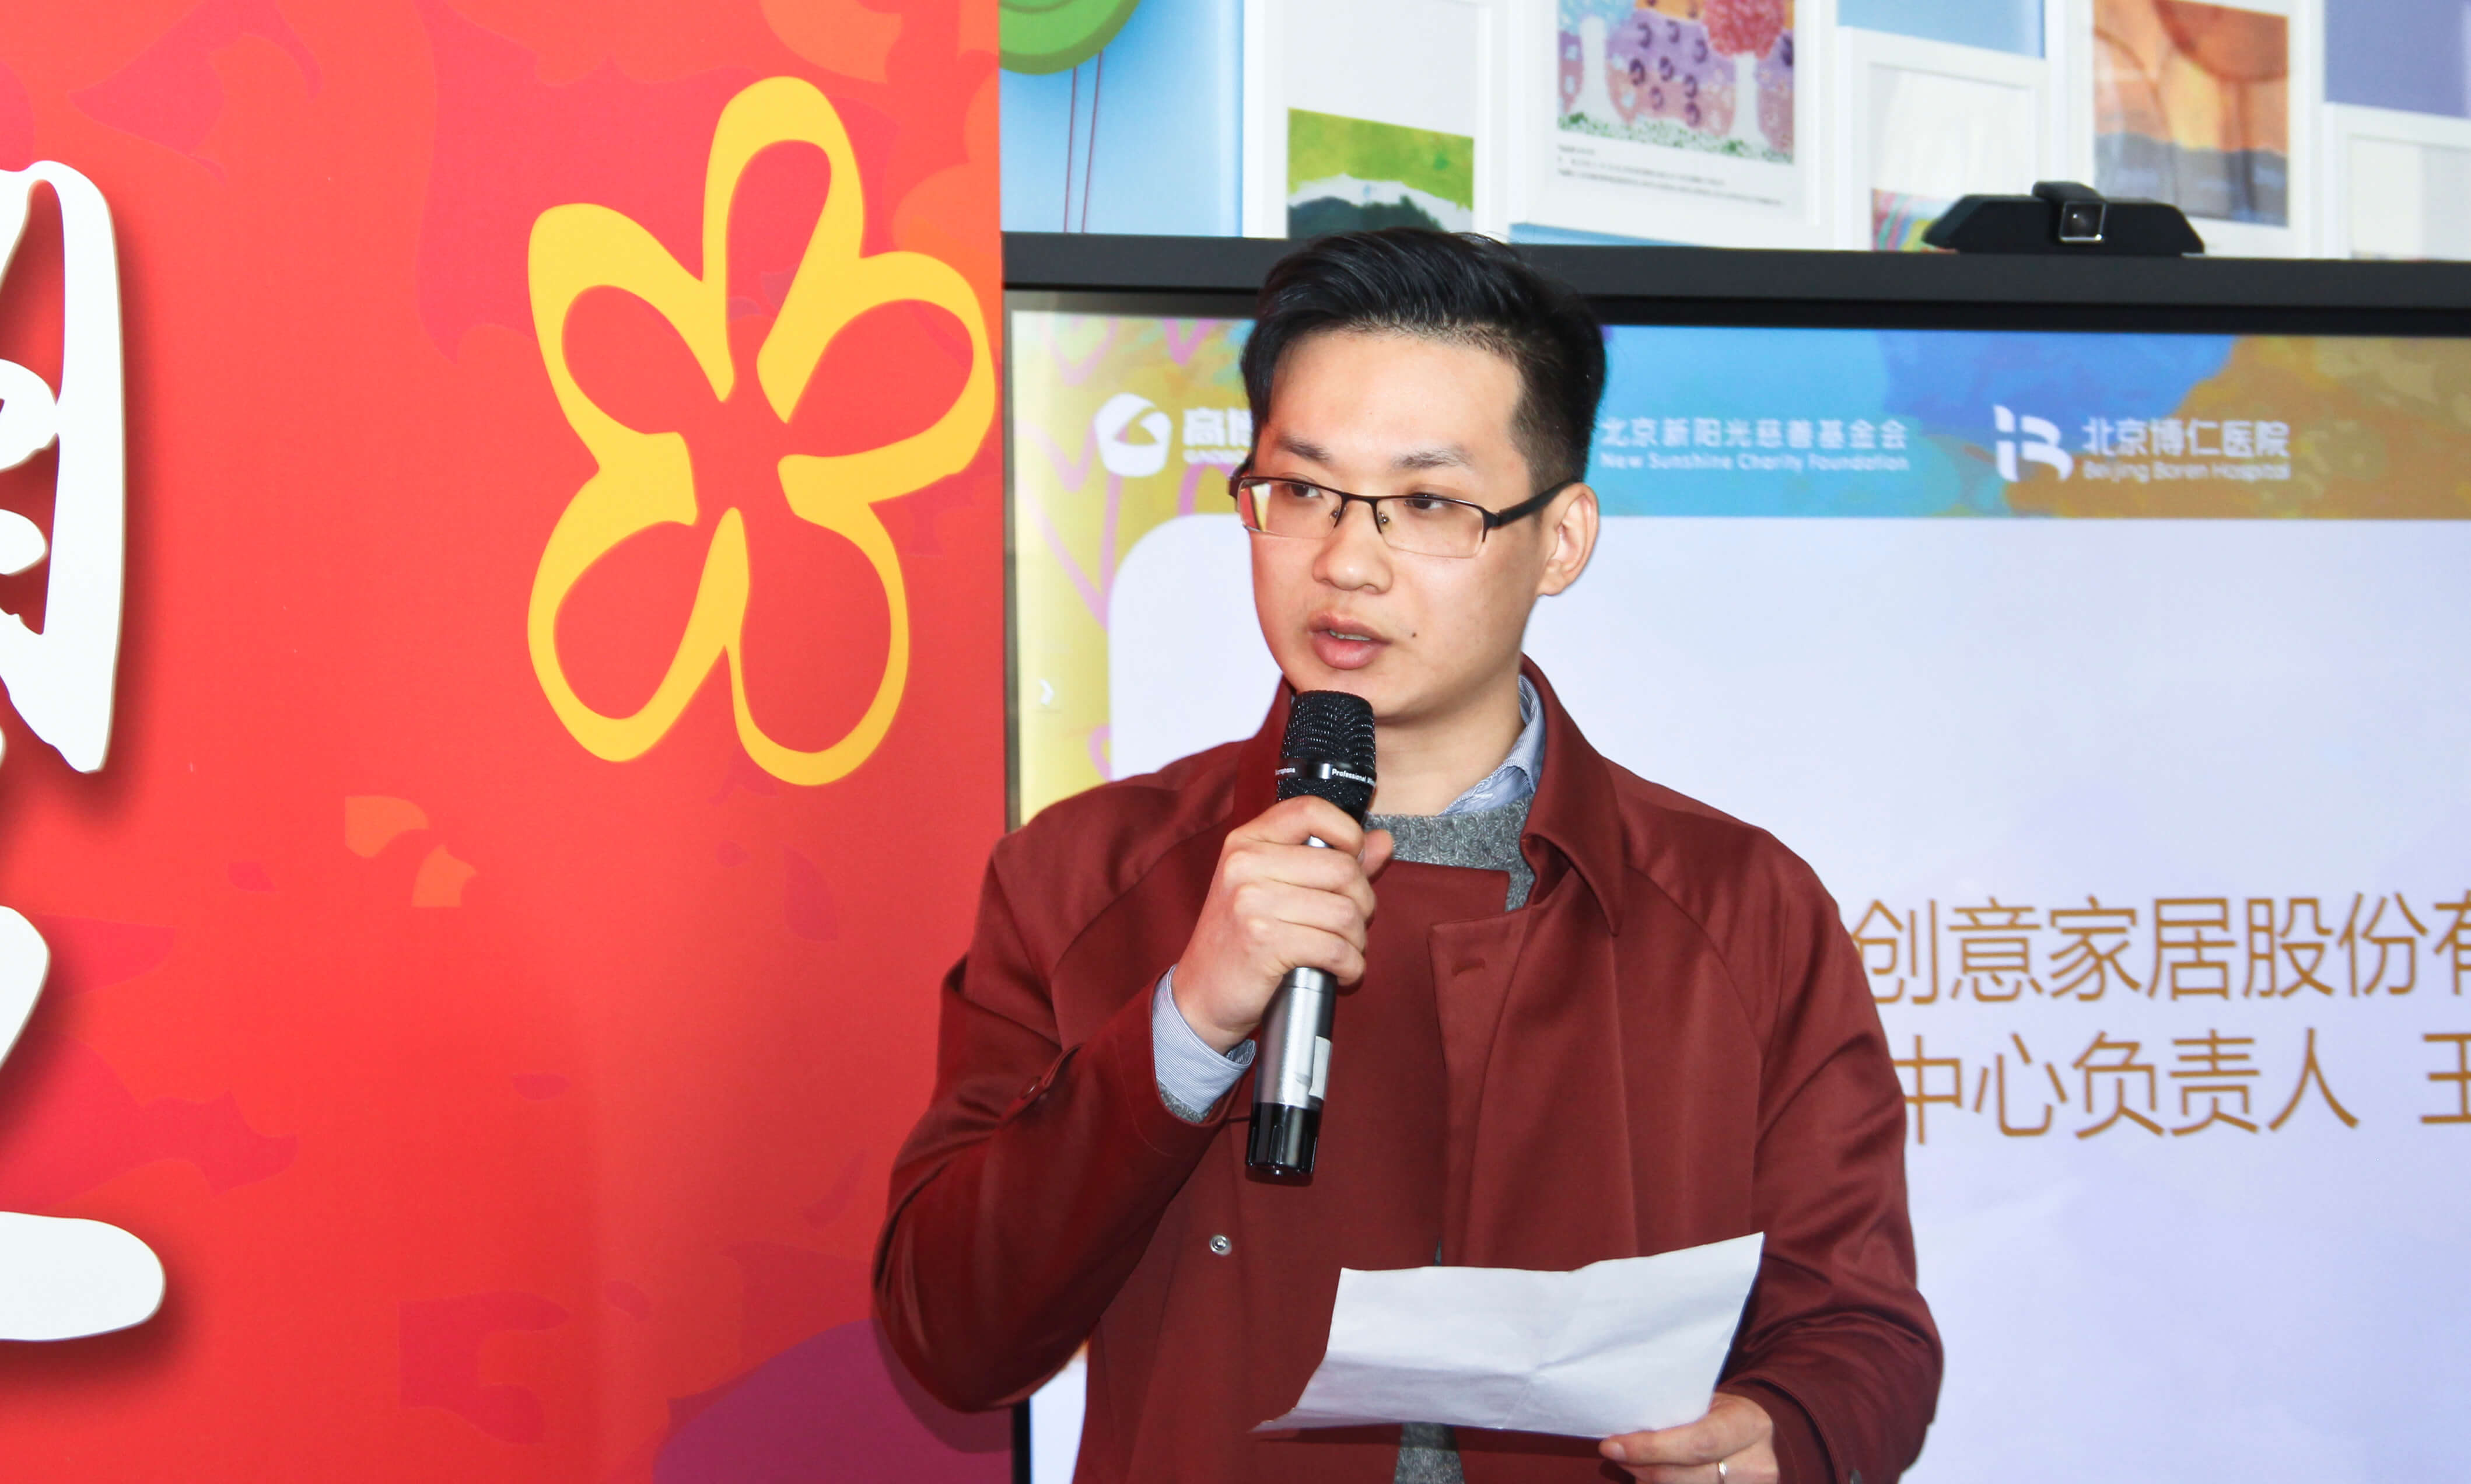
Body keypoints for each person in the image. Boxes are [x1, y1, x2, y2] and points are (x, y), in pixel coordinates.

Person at [874, 230, 1940, 1483]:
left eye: (1427, 504)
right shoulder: (1081, 880)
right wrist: (1186, 1024)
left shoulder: (1741, 907)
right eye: (1301, 490)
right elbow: (954, 1336)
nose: (1345, 560)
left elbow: (1860, 1332)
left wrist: (1784, 1436)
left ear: (1561, 539)